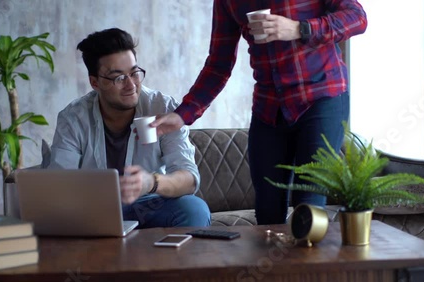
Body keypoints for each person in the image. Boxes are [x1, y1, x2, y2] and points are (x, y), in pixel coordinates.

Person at [151, 1, 367, 225]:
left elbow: (358, 18)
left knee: (309, 207)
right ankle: (276, 261)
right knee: (267, 212)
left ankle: (310, 257)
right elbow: (219, 64)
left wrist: (299, 28)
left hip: (322, 96)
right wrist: (183, 114)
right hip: (269, 108)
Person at [47, 28, 211, 228]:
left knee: (194, 209)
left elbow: (189, 179)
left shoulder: (162, 108)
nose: (131, 85)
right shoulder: (74, 118)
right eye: (118, 77)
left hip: (148, 204)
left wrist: (151, 182)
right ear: (95, 82)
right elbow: (59, 184)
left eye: (134, 73)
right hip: (95, 208)